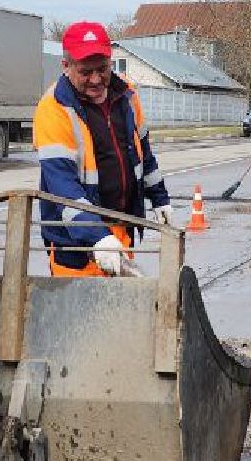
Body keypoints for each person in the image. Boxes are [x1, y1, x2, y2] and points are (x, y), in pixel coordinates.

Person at [33, 21, 172, 277]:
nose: (97, 80)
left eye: (103, 69)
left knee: (120, 313)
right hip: (75, 243)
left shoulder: (126, 96)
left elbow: (143, 155)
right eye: (86, 72)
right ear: (66, 67)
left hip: (121, 232)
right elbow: (62, 186)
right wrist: (97, 237)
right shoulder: (53, 109)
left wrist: (160, 198)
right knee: (79, 315)